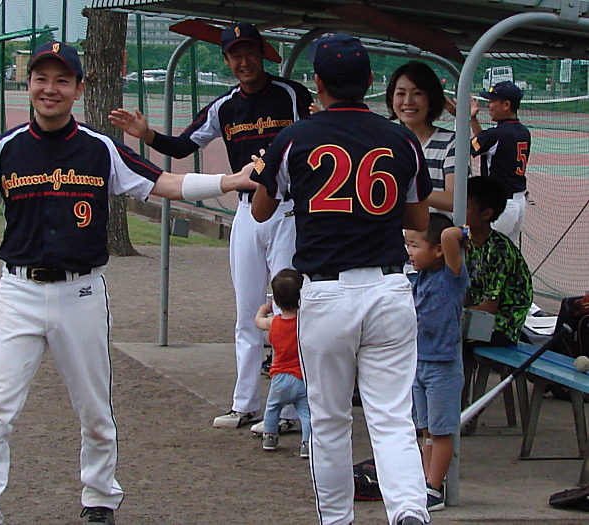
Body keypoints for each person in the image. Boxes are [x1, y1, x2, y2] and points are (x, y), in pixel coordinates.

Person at [0, 41, 255, 525]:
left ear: (78, 89)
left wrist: (228, 180)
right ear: (28, 84)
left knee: (95, 409)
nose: (49, 89)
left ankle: (99, 498)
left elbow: (164, 183)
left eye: (62, 80)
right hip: (19, 292)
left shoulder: (99, 148)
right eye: (41, 78)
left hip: (81, 293)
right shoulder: (7, 148)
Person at [251, 34, 432, 525]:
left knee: (330, 420)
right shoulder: (401, 138)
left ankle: (336, 519)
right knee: (391, 416)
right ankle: (409, 511)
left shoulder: (295, 137)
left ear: (318, 83)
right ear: (370, 81)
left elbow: (262, 210)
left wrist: (269, 171)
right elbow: (418, 219)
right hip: (389, 287)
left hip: (327, 292)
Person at [109, 22, 314, 432]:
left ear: (262, 52)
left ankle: (290, 410)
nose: (244, 61)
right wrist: (146, 133)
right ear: (226, 60)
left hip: (288, 209)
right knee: (246, 311)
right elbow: (183, 146)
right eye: (235, 55)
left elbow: (312, 139)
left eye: (249, 52)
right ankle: (245, 404)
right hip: (246, 210)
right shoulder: (225, 106)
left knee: (288, 308)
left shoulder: (290, 94)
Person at [405, 213, 470, 512]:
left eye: (416, 246)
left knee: (442, 430)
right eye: (408, 245)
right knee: (426, 430)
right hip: (419, 362)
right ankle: (427, 481)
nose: (410, 252)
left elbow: (447, 236)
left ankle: (434, 487)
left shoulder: (451, 277)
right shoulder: (419, 277)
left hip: (443, 365)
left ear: (438, 251)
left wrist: (464, 233)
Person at [462, 176, 533, 405]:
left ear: (486, 214)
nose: (458, 210)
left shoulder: (499, 250)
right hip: (478, 319)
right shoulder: (466, 241)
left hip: (502, 326)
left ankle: (458, 410)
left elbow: (489, 308)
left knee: (449, 342)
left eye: (466, 206)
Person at [386, 61, 459, 216]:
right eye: (401, 93)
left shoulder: (451, 143)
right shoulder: (384, 141)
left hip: (435, 230)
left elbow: (455, 200)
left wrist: (405, 189)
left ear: (431, 99)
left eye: (417, 93)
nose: (408, 101)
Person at [254, 269, 311, 458]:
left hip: (279, 377)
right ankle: (307, 443)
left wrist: (264, 308)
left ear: (277, 301)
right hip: (301, 377)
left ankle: (270, 437)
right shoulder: (304, 323)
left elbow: (258, 322)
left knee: (272, 408)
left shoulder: (274, 323)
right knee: (306, 413)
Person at [470, 80, 531, 244]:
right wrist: (473, 119)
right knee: (505, 252)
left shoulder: (496, 134)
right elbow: (484, 143)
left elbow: (469, 148)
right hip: (518, 203)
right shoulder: (523, 131)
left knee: (483, 249)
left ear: (506, 105)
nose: (488, 106)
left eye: (492, 101)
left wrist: (461, 115)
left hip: (500, 206)